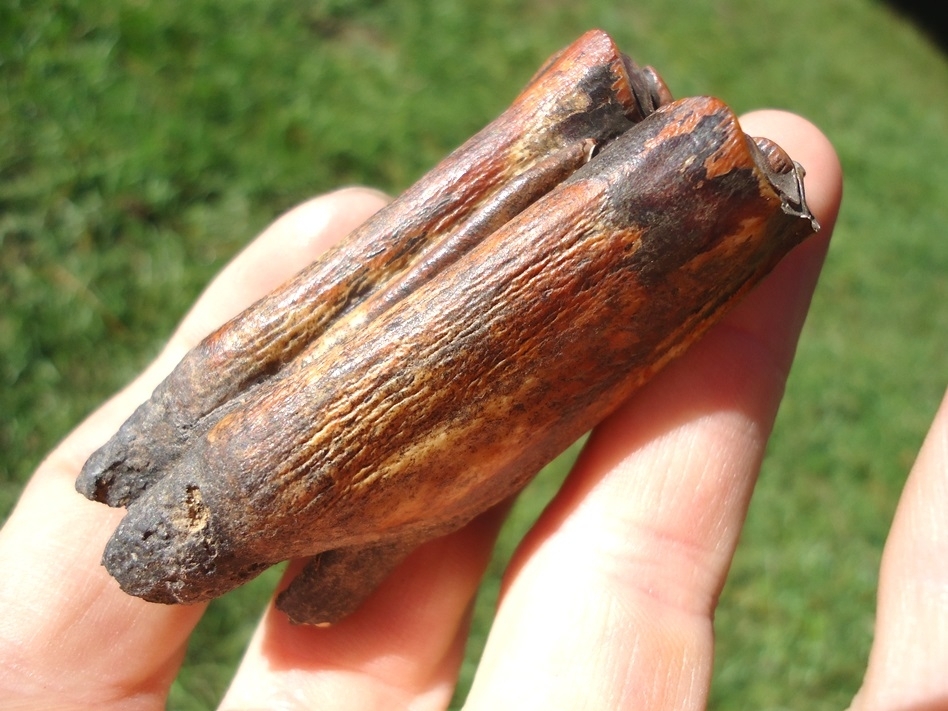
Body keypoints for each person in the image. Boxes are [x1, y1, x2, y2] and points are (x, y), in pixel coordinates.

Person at [0, 110, 943, 711]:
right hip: (627, 211)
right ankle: (680, 168)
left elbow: (328, 306)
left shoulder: (257, 471)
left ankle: (666, 157)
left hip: (623, 202)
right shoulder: (266, 482)